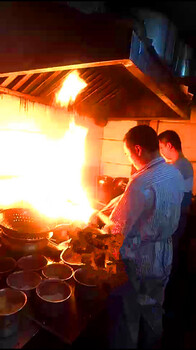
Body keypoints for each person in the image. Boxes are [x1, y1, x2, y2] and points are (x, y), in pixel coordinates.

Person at [93, 125, 184, 349]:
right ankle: (153, 344)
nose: (129, 159)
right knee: (154, 308)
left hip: (141, 259)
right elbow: (152, 205)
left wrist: (98, 233)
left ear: (137, 149)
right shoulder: (173, 172)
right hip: (164, 254)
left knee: (129, 313)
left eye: (127, 154)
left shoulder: (140, 182)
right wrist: (118, 203)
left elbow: (118, 229)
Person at [158, 130, 193, 316]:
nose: (161, 152)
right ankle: (168, 298)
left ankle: (165, 304)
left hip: (175, 220)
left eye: (162, 147)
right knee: (170, 258)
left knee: (167, 261)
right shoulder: (181, 164)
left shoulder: (179, 167)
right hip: (178, 218)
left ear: (169, 145)